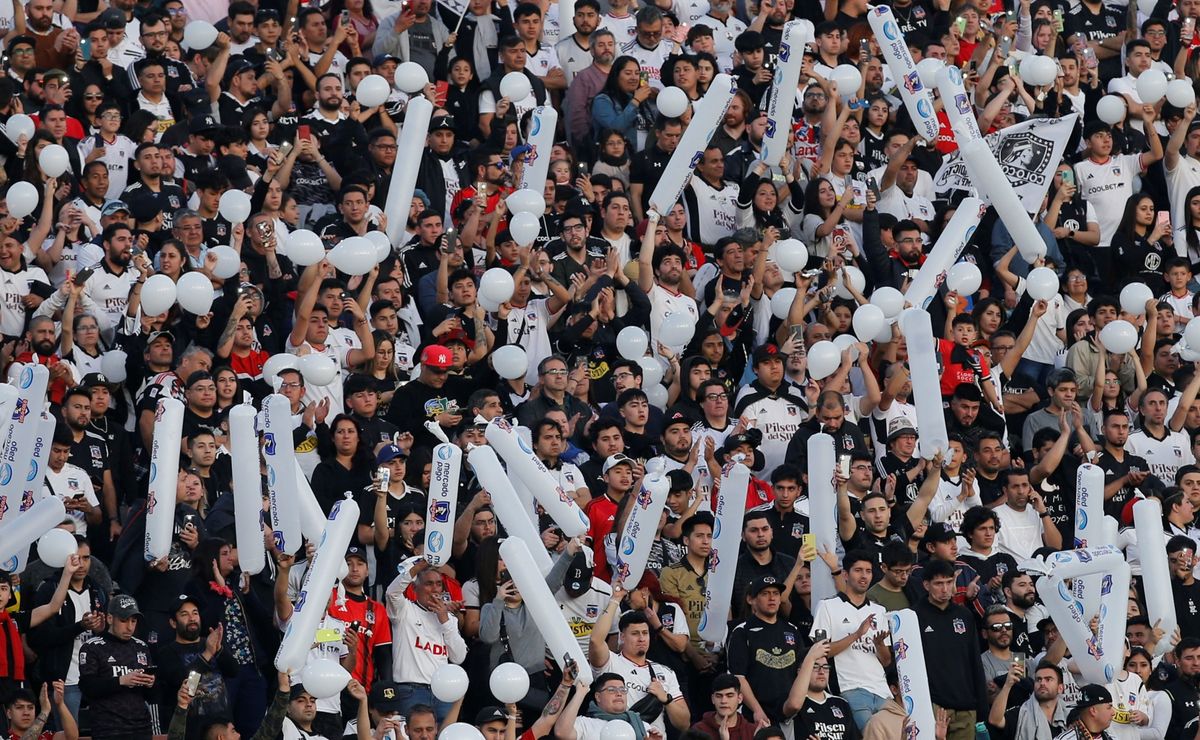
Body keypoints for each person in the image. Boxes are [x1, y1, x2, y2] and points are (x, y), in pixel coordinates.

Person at [725, 575, 802, 726]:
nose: (771, 598)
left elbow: (801, 672)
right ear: (751, 599)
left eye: (775, 593)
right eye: (765, 594)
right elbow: (738, 676)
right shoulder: (742, 631)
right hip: (755, 714)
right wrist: (756, 710)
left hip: (790, 714)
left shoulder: (792, 630)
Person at [77, 594, 156, 740]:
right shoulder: (92, 647)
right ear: (109, 618)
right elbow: (87, 687)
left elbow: (151, 696)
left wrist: (150, 683)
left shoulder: (141, 646)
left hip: (141, 727)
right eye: (124, 620)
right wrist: (121, 681)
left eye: (134, 621)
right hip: (108, 729)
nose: (130, 627)